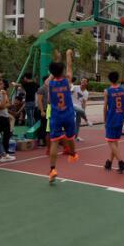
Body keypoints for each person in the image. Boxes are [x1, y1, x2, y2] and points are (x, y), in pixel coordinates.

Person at [47, 49, 78, 183]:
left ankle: (53, 169)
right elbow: (69, 66)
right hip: (68, 114)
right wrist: (67, 55)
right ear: (62, 71)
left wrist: (56, 61)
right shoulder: (67, 81)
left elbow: (49, 100)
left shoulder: (49, 83)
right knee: (70, 137)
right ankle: (73, 154)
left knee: (54, 142)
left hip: (56, 115)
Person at [103, 71, 124, 173]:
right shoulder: (123, 90)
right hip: (120, 118)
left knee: (110, 141)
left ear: (109, 79)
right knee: (114, 141)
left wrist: (104, 120)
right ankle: (109, 162)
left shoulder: (107, 91)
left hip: (111, 118)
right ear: (118, 79)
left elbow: (105, 107)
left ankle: (121, 162)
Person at [0, 78, 12, 155]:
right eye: (0, 84)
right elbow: (2, 105)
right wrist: (3, 99)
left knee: (7, 134)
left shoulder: (3, 92)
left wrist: (3, 105)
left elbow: (8, 104)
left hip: (5, 116)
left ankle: (5, 151)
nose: (2, 85)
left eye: (2, 84)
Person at [36, 76, 49, 148]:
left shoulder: (51, 88)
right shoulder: (42, 88)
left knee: (48, 126)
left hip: (50, 109)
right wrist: (42, 111)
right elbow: (39, 101)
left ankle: (47, 140)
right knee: (43, 125)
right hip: (43, 109)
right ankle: (41, 140)